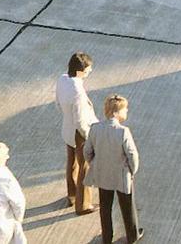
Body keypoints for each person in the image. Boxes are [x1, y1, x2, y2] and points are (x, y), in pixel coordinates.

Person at [84, 94, 143, 244]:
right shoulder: (123, 131)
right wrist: (132, 171)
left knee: (105, 208)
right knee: (127, 207)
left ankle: (107, 238)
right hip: (121, 175)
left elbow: (87, 151)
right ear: (116, 112)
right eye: (125, 109)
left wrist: (96, 164)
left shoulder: (95, 129)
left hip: (103, 174)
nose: (127, 111)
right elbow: (132, 155)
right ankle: (132, 236)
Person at [56, 52, 98, 214]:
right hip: (79, 133)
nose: (90, 71)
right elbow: (80, 121)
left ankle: (72, 195)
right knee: (84, 167)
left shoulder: (62, 79)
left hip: (67, 127)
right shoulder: (78, 92)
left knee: (71, 162)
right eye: (88, 69)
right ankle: (83, 205)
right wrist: (89, 136)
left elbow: (58, 102)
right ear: (81, 71)